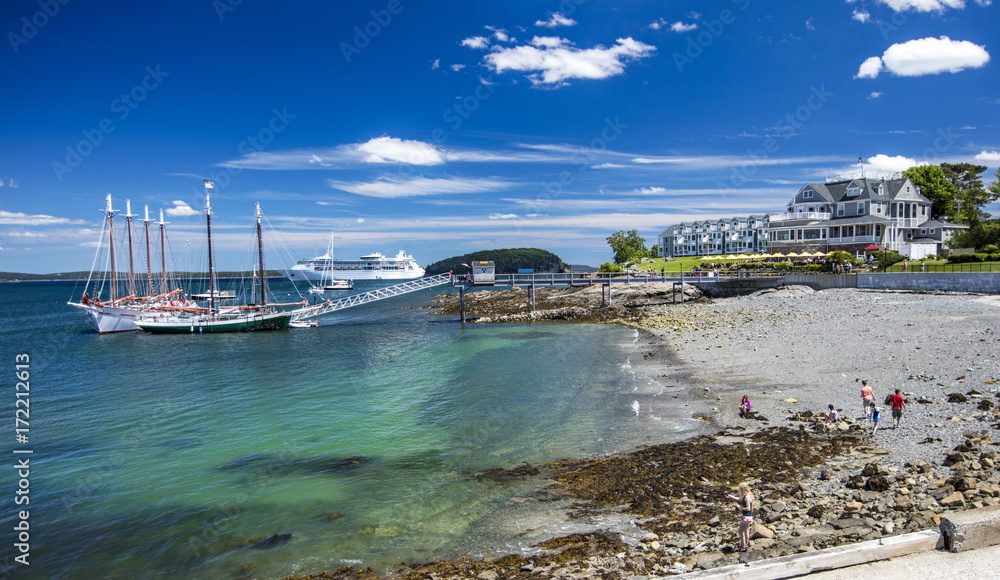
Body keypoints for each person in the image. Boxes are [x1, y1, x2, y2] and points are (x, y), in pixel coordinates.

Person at [726, 483, 754, 552]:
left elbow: (748, 508)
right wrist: (730, 496)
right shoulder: (749, 496)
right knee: (746, 530)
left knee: (740, 531)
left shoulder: (746, 497)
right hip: (750, 517)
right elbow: (739, 499)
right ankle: (746, 544)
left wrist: (739, 507)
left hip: (746, 517)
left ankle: (743, 547)